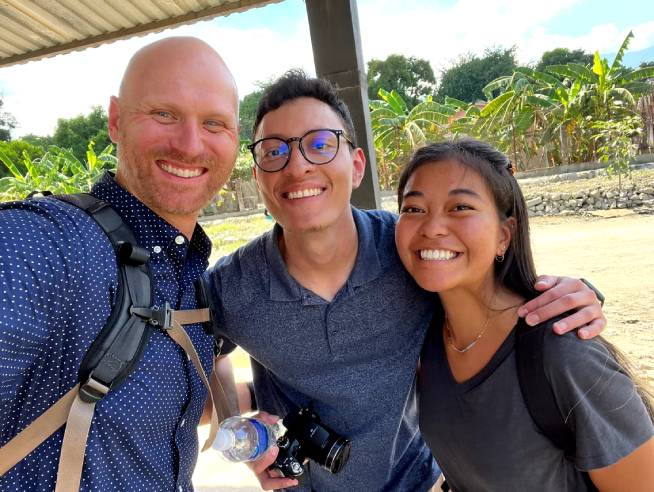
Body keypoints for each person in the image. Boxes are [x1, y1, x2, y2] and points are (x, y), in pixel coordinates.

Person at [204, 71, 607, 491]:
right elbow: (206, 353)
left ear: (357, 165)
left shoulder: (410, 251)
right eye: (274, 152)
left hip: (418, 482)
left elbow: (489, 287)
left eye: (321, 144)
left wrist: (578, 294)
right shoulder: (231, 287)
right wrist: (240, 431)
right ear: (258, 177)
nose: (298, 165)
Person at [0, 37, 239, 491]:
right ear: (115, 120)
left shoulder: (191, 279)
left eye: (214, 123)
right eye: (164, 114)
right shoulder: (48, 245)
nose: (190, 145)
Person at [394, 139, 654, 490]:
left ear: (504, 235)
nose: (432, 227)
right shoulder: (423, 338)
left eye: (460, 207)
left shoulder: (563, 352)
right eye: (413, 209)